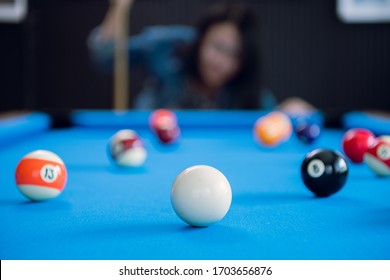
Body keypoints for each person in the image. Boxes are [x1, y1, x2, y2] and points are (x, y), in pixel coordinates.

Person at [88, 0, 273, 110]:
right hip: (148, 141)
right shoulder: (165, 46)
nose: (221, 62)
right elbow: (105, 56)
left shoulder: (245, 86)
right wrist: (119, 9)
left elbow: (271, 112)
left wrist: (288, 111)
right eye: (217, 47)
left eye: (235, 54)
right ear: (200, 40)